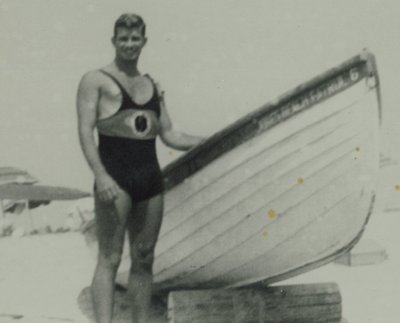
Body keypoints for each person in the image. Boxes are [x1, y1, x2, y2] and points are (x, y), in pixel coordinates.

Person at [76, 13, 204, 323]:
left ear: (144, 42)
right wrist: (101, 175)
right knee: (109, 258)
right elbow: (84, 131)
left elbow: (170, 134)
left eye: (135, 39)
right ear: (114, 41)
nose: (129, 45)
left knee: (144, 258)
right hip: (114, 180)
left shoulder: (152, 85)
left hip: (150, 180)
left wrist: (211, 139)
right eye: (123, 39)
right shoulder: (95, 80)